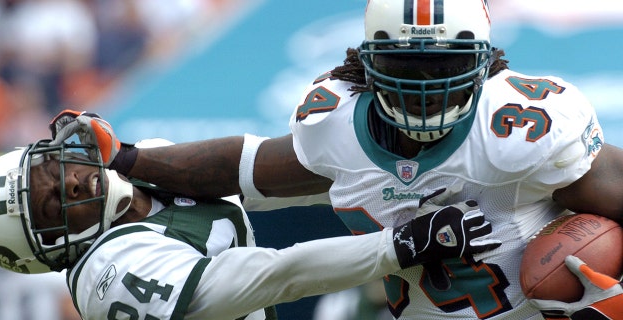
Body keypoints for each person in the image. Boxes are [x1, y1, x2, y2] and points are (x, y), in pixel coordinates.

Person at [48, 0, 623, 318]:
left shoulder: (525, 130)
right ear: (367, 65)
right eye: (404, 67)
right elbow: (244, 168)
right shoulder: (338, 130)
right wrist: (125, 157)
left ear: (484, 64)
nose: (425, 83)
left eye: (443, 65)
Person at [0, 137, 499, 319]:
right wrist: (397, 245)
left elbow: (265, 177)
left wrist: (399, 179)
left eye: (51, 171)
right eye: (51, 205)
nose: (69, 183)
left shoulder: (142, 171)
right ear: (49, 248)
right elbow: (274, 276)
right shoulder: (109, 273)